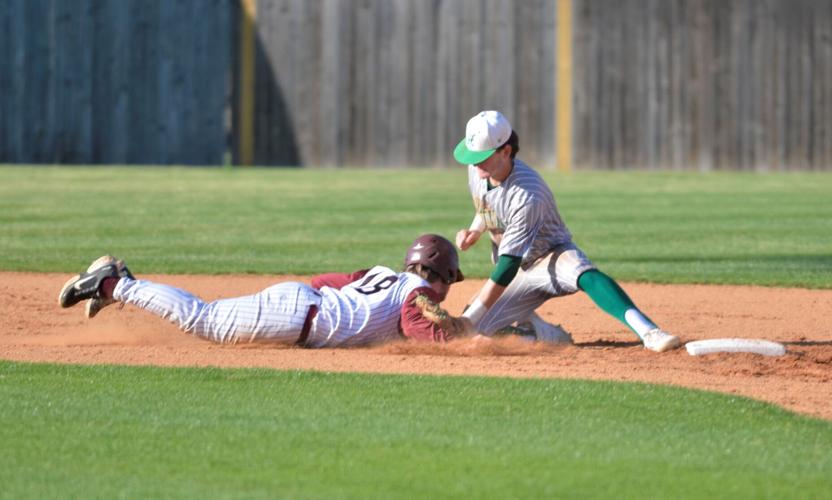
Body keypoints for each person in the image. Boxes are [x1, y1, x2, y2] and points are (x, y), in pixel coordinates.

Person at [453, 110, 680, 352]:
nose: (475, 163)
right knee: (473, 334)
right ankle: (541, 333)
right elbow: (489, 203)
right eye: (472, 156)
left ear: (506, 151)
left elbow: (507, 265)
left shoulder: (528, 193)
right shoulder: (479, 170)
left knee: (582, 272)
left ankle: (649, 330)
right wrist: (476, 230)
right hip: (518, 269)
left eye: (482, 157)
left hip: (550, 256)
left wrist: (470, 318)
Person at [58, 234, 475, 347]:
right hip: (298, 319)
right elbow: (423, 327)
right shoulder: (418, 293)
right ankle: (113, 281)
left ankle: (117, 287)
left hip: (301, 302)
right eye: (447, 283)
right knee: (200, 319)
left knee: (205, 316)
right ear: (440, 274)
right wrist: (467, 334)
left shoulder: (383, 274)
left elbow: (324, 282)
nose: (444, 294)